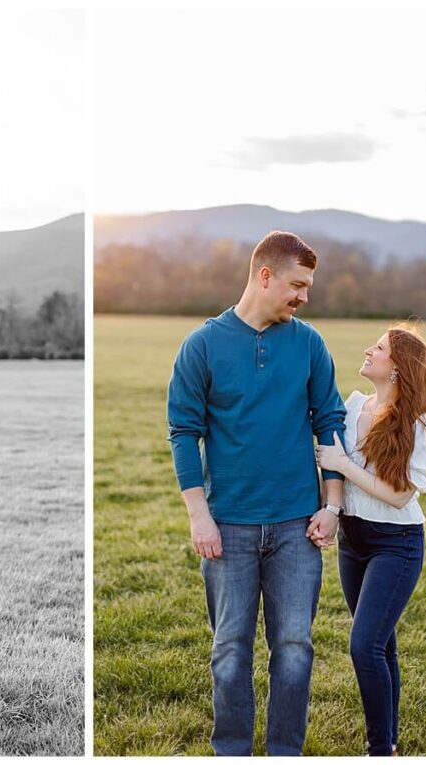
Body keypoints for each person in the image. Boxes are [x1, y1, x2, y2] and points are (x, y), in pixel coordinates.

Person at [167, 231, 346, 756]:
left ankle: (285, 753)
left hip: (297, 527)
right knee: (229, 651)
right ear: (264, 276)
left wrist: (332, 506)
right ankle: (233, 751)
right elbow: (183, 431)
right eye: (297, 285)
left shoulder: (309, 343)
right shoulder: (202, 345)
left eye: (308, 287)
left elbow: (329, 421)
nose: (304, 298)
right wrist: (199, 515)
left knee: (294, 648)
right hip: (229, 527)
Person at [315, 326, 426, 757]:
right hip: (354, 539)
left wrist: (343, 465)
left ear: (398, 368)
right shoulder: (352, 407)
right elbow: (328, 464)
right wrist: (328, 511)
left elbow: (400, 495)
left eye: (380, 348)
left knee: (364, 645)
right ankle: (388, 740)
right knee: (381, 645)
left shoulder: (416, 428)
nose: (369, 350)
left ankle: (379, 749)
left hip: (396, 544)